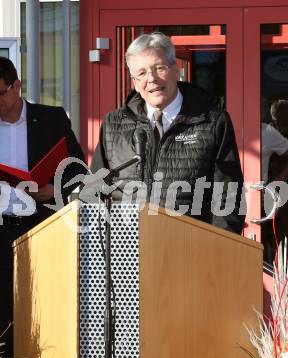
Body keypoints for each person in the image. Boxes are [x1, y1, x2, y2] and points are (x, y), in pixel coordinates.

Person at [91, 32, 245, 234]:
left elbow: (228, 197)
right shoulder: (113, 124)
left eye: (159, 68)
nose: (152, 79)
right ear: (135, 82)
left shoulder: (213, 121)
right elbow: (94, 192)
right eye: (142, 73)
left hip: (191, 248)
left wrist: (219, 250)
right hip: (127, 252)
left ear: (176, 70)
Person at [0, 56, 86, 358]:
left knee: (41, 305)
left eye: (1, 94)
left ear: (17, 85)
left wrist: (53, 189)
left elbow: (78, 168)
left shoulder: (50, 119)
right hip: (1, 227)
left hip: (40, 227)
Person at [261, 99, 288, 265]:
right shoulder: (223, 127)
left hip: (260, 200)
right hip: (226, 198)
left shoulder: (265, 130)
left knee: (265, 244)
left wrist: (278, 180)